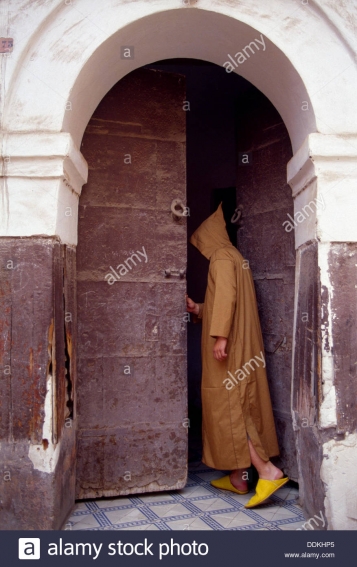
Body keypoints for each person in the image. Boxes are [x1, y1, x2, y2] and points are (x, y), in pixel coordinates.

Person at [186, 203, 288, 508]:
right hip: (241, 348)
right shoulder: (235, 257)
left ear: (209, 238)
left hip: (229, 352)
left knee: (231, 410)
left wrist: (221, 336)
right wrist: (199, 309)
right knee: (234, 406)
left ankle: (267, 471)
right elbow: (226, 301)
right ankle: (238, 478)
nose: (202, 249)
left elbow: (228, 298)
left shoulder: (220, 257)